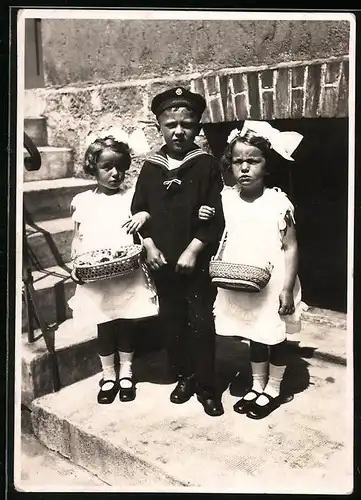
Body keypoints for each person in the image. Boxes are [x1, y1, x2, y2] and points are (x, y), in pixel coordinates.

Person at [199, 120, 305, 419]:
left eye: (253, 161)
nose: (244, 168)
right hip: (243, 277)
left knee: (275, 335)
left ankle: (274, 388)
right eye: (238, 162)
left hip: (274, 281)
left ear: (267, 166)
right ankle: (257, 385)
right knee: (255, 335)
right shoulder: (226, 198)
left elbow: (291, 247)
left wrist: (287, 288)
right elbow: (220, 228)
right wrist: (205, 212)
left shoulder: (277, 202)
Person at [131, 87, 225, 417]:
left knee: (200, 321)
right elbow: (138, 210)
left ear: (198, 127)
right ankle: (184, 376)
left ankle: (208, 387)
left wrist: (195, 249)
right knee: (171, 320)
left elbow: (217, 215)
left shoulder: (206, 165)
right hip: (162, 260)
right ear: (159, 126)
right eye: (171, 124)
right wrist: (149, 245)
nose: (178, 131)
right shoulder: (151, 168)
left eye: (186, 123)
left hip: (194, 262)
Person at [68, 129, 159, 405]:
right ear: (93, 167)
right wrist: (75, 264)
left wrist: (143, 215)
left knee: (125, 321)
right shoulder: (83, 201)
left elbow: (146, 218)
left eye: (120, 167)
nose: (115, 174)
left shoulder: (130, 198)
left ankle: (127, 372)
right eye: (107, 167)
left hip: (125, 271)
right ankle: (108, 374)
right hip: (96, 273)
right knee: (104, 323)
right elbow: (77, 237)